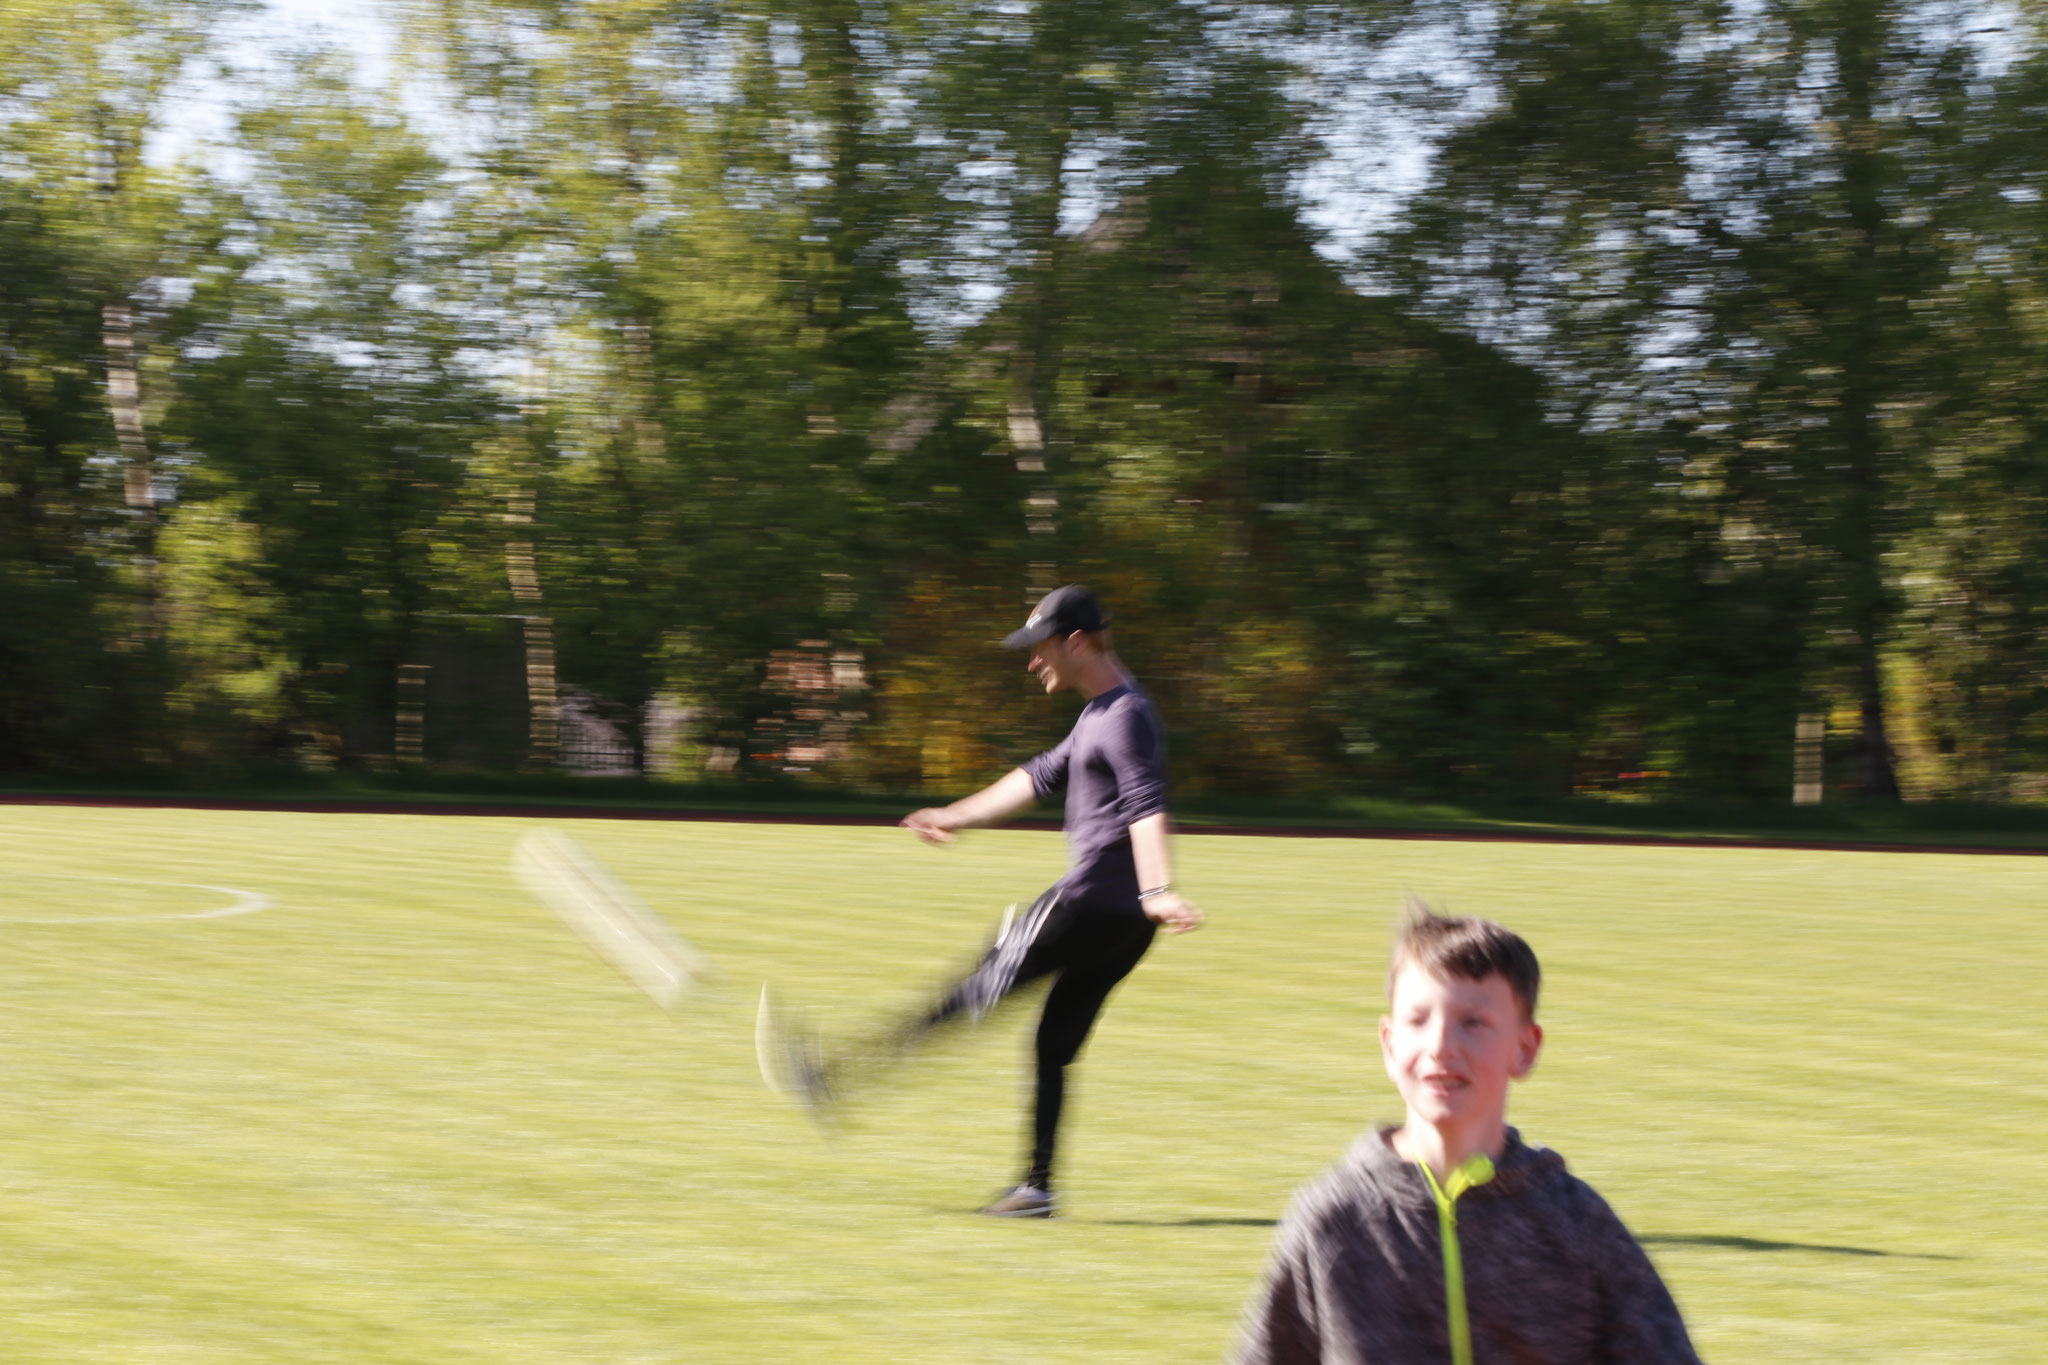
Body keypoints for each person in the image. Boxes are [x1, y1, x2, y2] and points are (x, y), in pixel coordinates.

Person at [759, 584, 1202, 1218]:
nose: (1032, 661)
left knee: (969, 992)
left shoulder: (1124, 716)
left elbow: (1145, 804)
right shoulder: (1103, 713)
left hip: (1091, 905)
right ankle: (1037, 1188)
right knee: (1053, 1042)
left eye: (1040, 647)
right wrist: (956, 815)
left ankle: (832, 1078)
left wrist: (1159, 889)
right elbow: (1037, 776)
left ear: (1076, 642)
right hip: (1126, 923)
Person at [1236, 908, 1701, 1364]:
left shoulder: (1575, 1225)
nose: (1440, 1046)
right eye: (1418, 1020)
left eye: (1473, 1022)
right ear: (1389, 1042)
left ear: (1525, 1048)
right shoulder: (1335, 1221)